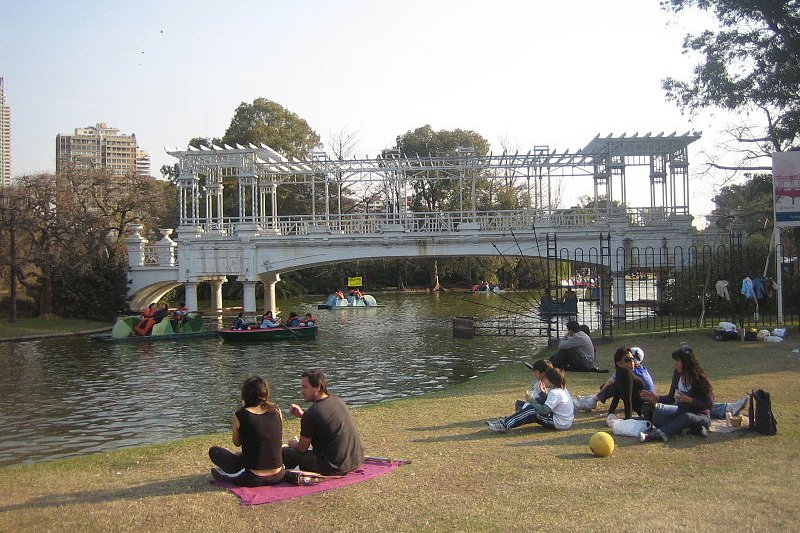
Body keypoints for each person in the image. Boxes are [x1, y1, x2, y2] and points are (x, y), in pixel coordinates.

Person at [282, 369, 364, 475]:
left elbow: (302, 448)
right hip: (354, 461)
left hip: (332, 466)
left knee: (284, 453)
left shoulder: (311, 414)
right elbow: (323, 421)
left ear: (318, 387)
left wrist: (292, 444)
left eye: (305, 387)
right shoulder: (337, 400)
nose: (301, 391)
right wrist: (302, 415)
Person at [208, 376, 285, 486]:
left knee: (215, 451)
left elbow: (237, 442)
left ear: (245, 394)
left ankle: (224, 477)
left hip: (254, 477)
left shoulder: (241, 415)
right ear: (266, 393)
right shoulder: (277, 411)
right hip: (278, 475)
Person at [639, 346, 714, 443]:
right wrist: (656, 398)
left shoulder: (700, 380)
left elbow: (709, 405)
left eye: (678, 361)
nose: (675, 364)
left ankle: (660, 434)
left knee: (687, 417)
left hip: (700, 416)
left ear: (686, 363)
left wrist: (690, 400)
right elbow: (671, 399)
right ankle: (689, 428)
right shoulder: (677, 375)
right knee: (654, 414)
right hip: (680, 411)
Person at [487, 367, 574, 432]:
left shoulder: (555, 392)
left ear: (551, 380)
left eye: (545, 378)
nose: (543, 380)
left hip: (560, 423)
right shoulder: (561, 389)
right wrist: (543, 394)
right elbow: (551, 404)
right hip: (565, 421)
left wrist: (532, 400)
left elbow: (544, 410)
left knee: (532, 410)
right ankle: (509, 419)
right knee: (524, 404)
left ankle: (504, 425)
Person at [575, 345, 654, 410]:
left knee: (613, 385)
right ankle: (592, 399)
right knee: (609, 385)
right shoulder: (641, 369)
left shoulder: (630, 371)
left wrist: (599, 394)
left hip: (641, 403)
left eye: (628, 358)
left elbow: (611, 382)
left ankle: (591, 401)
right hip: (643, 400)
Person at [606, 347, 646, 419]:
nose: (632, 362)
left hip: (648, 411)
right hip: (646, 412)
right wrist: (628, 419)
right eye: (628, 360)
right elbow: (619, 395)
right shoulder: (624, 373)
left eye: (632, 359)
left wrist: (611, 412)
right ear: (619, 364)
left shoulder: (622, 373)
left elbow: (627, 399)